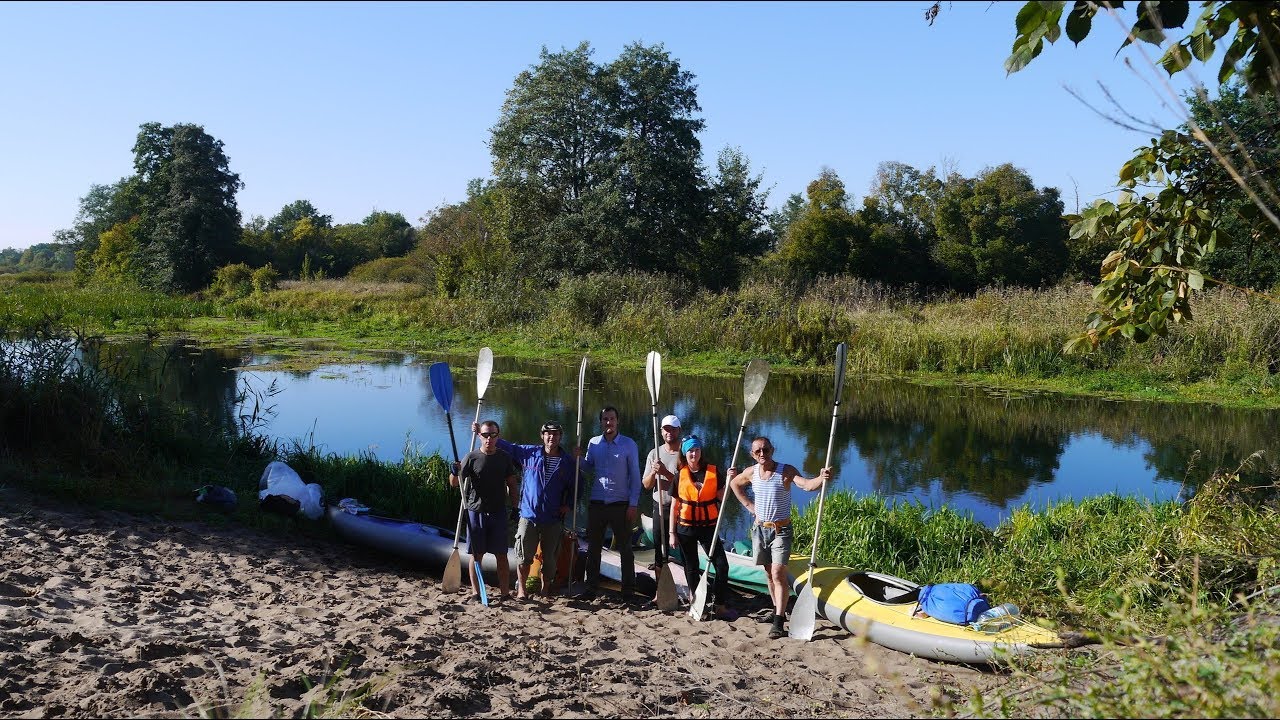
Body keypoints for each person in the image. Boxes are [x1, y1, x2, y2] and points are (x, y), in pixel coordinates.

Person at [727, 436, 833, 639]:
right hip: (759, 529)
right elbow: (734, 484)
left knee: (777, 573)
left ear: (772, 450)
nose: (762, 454)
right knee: (768, 573)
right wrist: (749, 506)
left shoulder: (785, 470)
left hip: (781, 530)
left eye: (765, 450)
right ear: (752, 454)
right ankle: (778, 610)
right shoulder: (751, 472)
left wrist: (822, 478)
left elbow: (807, 486)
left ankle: (778, 622)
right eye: (757, 451)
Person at [484, 420, 578, 600]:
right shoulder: (529, 453)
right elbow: (509, 447)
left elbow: (577, 486)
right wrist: (488, 434)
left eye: (556, 434)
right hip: (528, 515)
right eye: (548, 433)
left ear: (560, 437)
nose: (552, 437)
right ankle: (522, 590)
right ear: (542, 436)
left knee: (550, 559)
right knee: (523, 556)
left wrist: (569, 506)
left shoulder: (568, 462)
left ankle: (545, 589)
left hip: (553, 518)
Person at [449, 419, 520, 604]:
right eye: (486, 435)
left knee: (502, 555)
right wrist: (454, 471)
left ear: (498, 436)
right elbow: (454, 483)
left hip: (498, 512)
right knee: (476, 555)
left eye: (493, 435)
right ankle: (475, 592)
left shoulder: (504, 458)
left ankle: (505, 594)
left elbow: (512, 484)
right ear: (480, 435)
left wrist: (515, 508)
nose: (489, 438)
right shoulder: (471, 457)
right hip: (475, 511)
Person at [575, 405, 642, 602]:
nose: (608, 423)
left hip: (620, 504)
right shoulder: (594, 443)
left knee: (625, 549)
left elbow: (635, 477)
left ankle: (628, 590)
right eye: (605, 419)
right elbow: (588, 468)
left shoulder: (629, 444)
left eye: (612, 419)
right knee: (593, 547)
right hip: (597, 502)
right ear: (601, 422)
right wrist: (579, 458)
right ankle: (591, 587)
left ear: (617, 421)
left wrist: (633, 503)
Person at [666, 434, 731, 618]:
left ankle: (719, 604)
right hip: (685, 528)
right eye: (690, 451)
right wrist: (672, 533)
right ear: (685, 454)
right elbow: (674, 506)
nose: (694, 454)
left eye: (696, 450)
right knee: (691, 567)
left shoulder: (713, 472)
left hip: (708, 527)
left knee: (722, 566)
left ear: (701, 451)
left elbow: (721, 497)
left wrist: (728, 480)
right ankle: (696, 602)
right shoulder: (680, 476)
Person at [642, 414, 682, 566]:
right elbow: (646, 485)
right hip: (659, 507)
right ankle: (660, 582)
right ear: (661, 431)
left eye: (672, 429)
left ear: (679, 430)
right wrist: (653, 472)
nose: (669, 432)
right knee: (658, 546)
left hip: (680, 508)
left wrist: (665, 472)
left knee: (682, 546)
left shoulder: (685, 453)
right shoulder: (654, 453)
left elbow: (685, 485)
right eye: (666, 429)